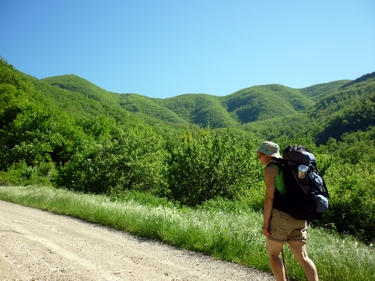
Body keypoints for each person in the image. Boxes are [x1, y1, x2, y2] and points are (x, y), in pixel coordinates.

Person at [255, 141, 319, 281]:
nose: (259, 157)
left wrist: (266, 222)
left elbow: (270, 197)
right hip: (299, 215)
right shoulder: (290, 167)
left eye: (260, 154)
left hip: (281, 216)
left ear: (267, 155)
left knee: (273, 255)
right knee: (303, 257)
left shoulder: (270, 169)